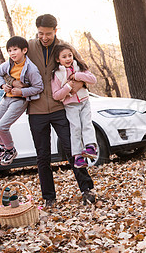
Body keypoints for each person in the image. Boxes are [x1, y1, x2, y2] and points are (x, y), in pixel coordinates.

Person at [26, 14, 96, 207]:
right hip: (36, 109)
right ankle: (49, 197)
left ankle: (86, 189)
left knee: (72, 148)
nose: (44, 37)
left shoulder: (65, 48)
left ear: (56, 31)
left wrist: (76, 84)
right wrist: (10, 83)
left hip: (60, 108)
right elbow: (10, 66)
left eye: (48, 33)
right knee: (43, 156)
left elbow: (83, 69)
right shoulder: (30, 47)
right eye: (41, 33)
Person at [0, 36, 44, 166]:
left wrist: (22, 92)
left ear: (24, 50)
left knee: (2, 126)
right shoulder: (8, 64)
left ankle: (10, 149)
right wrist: (3, 85)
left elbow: (39, 87)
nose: (12, 53)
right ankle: (3, 147)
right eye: (9, 50)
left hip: (19, 100)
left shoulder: (31, 69)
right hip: (6, 98)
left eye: (15, 50)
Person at [51, 43, 98, 169]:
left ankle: (90, 147)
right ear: (58, 59)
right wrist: (68, 86)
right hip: (70, 105)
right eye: (64, 57)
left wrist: (77, 76)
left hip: (84, 101)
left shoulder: (79, 67)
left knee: (87, 124)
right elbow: (56, 95)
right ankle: (78, 156)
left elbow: (93, 80)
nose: (68, 59)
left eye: (70, 55)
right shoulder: (57, 74)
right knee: (75, 128)